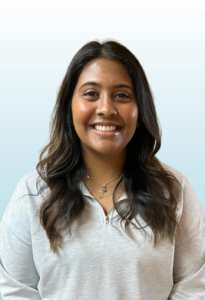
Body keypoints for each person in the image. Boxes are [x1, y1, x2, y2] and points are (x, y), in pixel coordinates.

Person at [0, 40, 204, 300]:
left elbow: (194, 284)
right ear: (69, 105)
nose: (106, 108)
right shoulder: (33, 193)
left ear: (140, 109)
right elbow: (15, 289)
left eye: (122, 95)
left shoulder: (175, 189)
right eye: (90, 94)